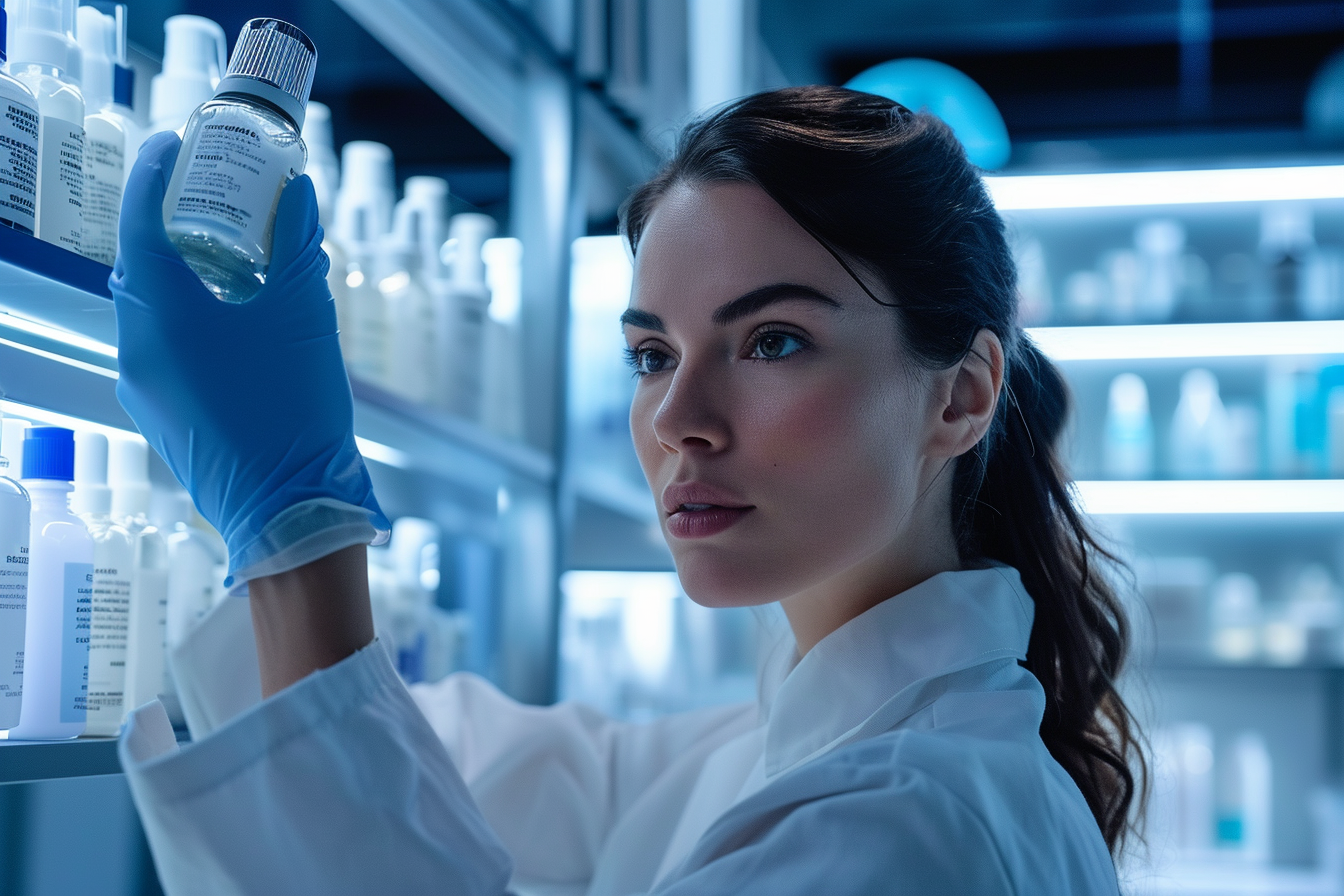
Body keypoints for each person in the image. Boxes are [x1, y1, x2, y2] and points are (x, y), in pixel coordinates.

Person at [110, 86, 1141, 895]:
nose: (678, 417)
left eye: (773, 340)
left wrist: (298, 526)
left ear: (961, 396)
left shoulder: (906, 818)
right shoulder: (796, 737)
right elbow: (530, 775)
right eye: (653, 353)